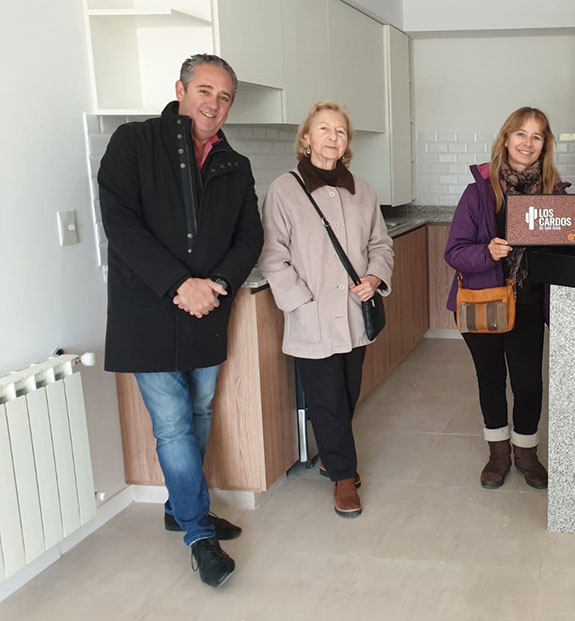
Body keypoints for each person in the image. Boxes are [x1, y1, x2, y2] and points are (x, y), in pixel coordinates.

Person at [99, 54, 264, 588]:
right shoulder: (134, 142)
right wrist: (178, 284)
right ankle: (198, 533)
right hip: (147, 310)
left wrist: (216, 284)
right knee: (172, 423)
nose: (213, 104)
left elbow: (250, 236)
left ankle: (180, 506)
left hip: (207, 308)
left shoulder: (235, 163)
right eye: (205, 91)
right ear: (181, 89)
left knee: (199, 409)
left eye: (224, 97)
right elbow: (121, 223)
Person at [445, 106, 575, 490]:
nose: (527, 143)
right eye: (520, 134)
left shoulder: (555, 194)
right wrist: (488, 252)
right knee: (491, 380)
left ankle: (526, 452)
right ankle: (498, 454)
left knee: (529, 385)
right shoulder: (478, 193)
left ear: (545, 145)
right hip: (483, 302)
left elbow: (571, 253)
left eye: (536, 136)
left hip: (529, 305)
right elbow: (454, 251)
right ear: (506, 139)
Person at [259, 101, 393, 518]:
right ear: (306, 138)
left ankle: (333, 458)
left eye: (340, 131)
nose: (333, 137)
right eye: (324, 129)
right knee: (326, 397)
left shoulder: (363, 191)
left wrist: (375, 277)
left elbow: (380, 244)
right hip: (312, 315)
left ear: (347, 142)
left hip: (354, 313)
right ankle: (343, 476)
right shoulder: (285, 190)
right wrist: (301, 301)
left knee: (347, 392)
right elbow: (272, 256)